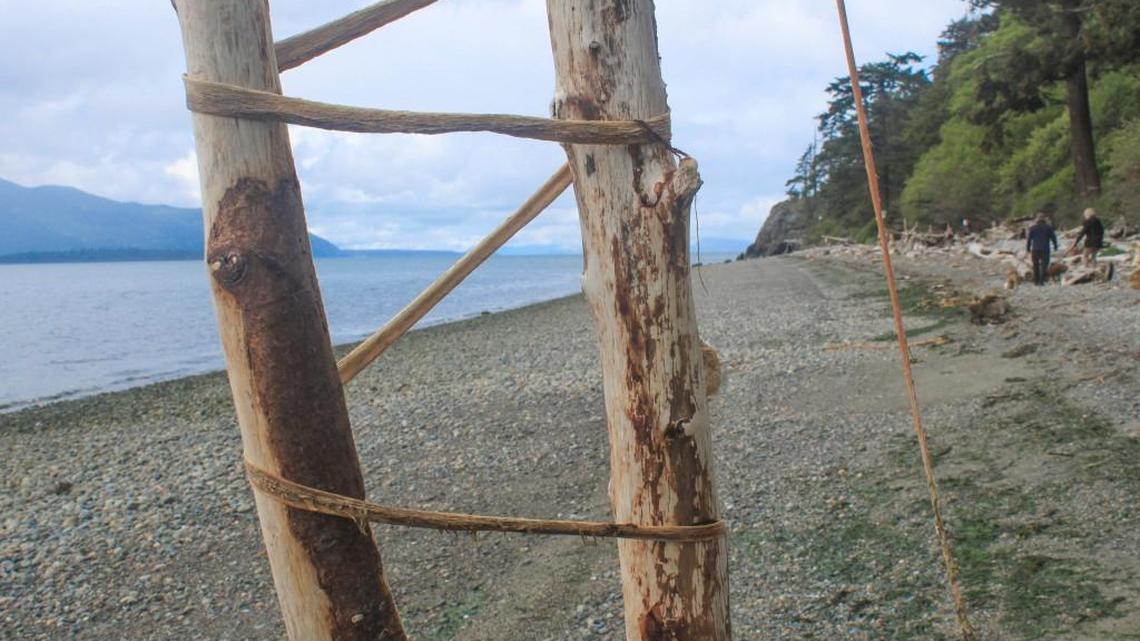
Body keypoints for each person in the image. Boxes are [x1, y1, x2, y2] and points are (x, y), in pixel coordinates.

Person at [1026, 213, 1058, 286]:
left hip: (1035, 249)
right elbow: (1054, 238)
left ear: (1037, 220)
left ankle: (1036, 281)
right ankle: (1041, 281)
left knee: (1035, 265)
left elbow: (1029, 239)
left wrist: (1028, 248)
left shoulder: (1032, 228)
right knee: (1044, 265)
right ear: (1044, 219)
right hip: (1045, 249)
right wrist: (1055, 246)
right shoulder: (1048, 228)